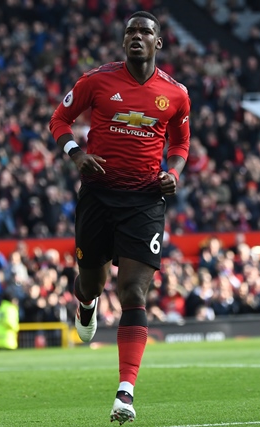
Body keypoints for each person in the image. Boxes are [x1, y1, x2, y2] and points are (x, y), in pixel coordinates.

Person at [49, 11, 190, 425]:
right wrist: (76, 155)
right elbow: (59, 120)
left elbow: (181, 141)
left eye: (145, 32)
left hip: (145, 202)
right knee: (91, 281)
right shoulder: (96, 81)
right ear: (123, 41)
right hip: (97, 196)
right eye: (131, 31)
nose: (137, 37)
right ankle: (86, 303)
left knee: (133, 293)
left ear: (157, 44)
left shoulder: (176, 94)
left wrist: (174, 173)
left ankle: (125, 392)